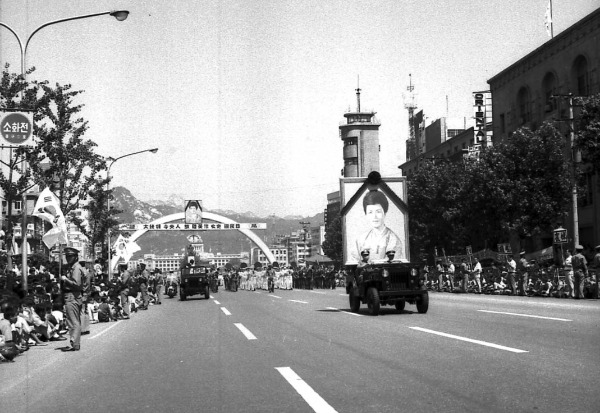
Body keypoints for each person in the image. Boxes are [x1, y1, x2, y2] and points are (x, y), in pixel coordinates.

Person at [354, 190, 404, 262]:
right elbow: (354, 262)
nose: (374, 216)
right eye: (370, 212)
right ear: (366, 215)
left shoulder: (393, 240)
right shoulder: (361, 239)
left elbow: (393, 265)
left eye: (378, 211)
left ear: (385, 212)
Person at [61, 247, 84, 352]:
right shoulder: (72, 268)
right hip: (72, 296)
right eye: (67, 256)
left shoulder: (76, 268)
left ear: (75, 257)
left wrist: (66, 279)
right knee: (73, 320)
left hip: (72, 296)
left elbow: (77, 284)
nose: (68, 258)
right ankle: (75, 343)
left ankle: (74, 342)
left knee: (73, 321)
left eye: (70, 256)